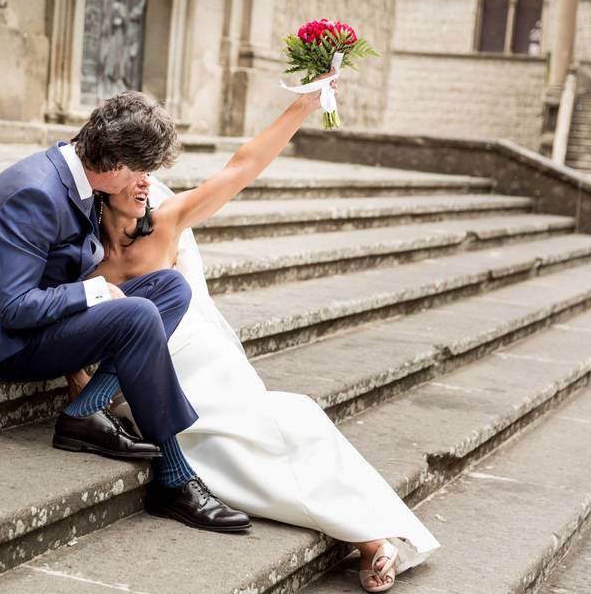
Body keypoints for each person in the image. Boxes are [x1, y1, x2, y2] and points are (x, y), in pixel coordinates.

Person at [77, 78, 441, 592]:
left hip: (209, 363)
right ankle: (368, 540)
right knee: (235, 460)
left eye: (149, 179)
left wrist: (303, 105)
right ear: (105, 188)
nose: (145, 187)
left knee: (298, 422)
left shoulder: (167, 223)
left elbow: (241, 168)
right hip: (158, 384)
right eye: (135, 178)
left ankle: (374, 539)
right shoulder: (89, 269)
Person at [0, 91, 251, 533]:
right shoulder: (34, 192)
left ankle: (86, 410)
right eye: (142, 171)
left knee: (171, 287)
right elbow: (16, 308)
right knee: (135, 314)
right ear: (115, 164)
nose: (147, 183)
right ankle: (174, 478)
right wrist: (97, 294)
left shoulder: (81, 178)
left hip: (43, 322)